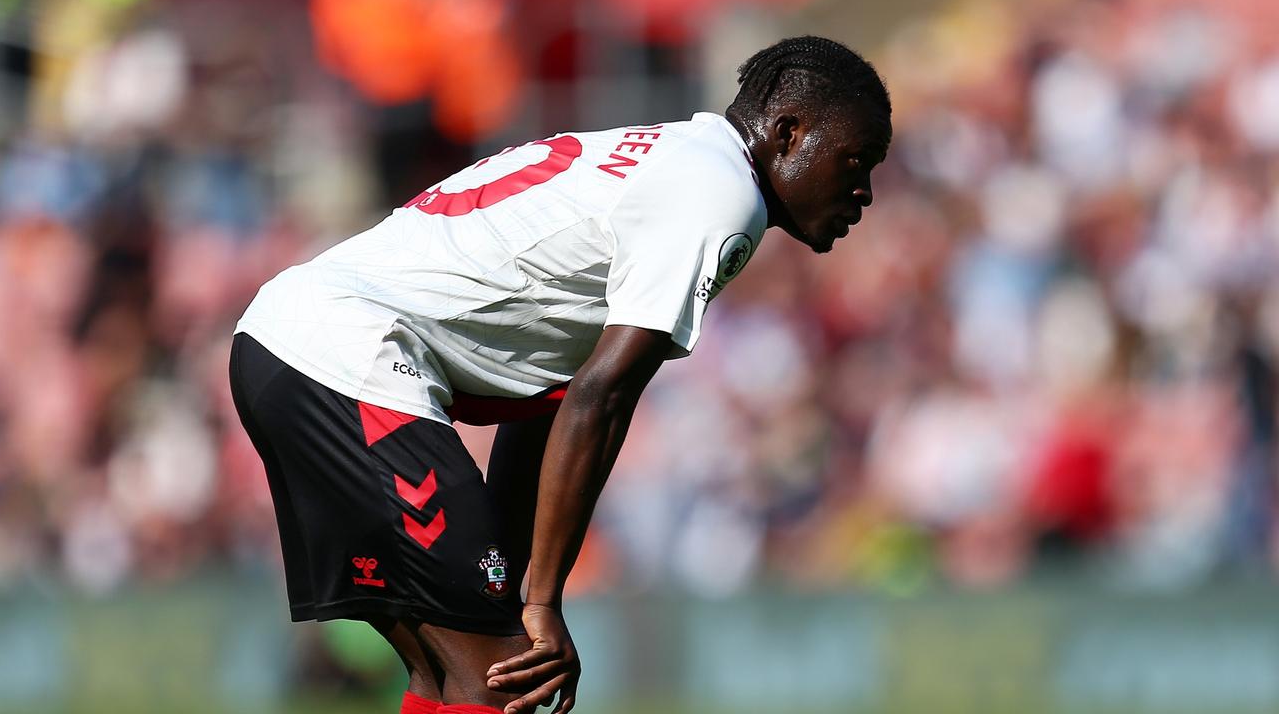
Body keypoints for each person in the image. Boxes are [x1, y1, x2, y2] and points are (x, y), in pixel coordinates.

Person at [229, 35, 890, 714]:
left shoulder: (672, 162)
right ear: (788, 132)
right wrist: (542, 599)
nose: (864, 191)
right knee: (507, 676)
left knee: (459, 678)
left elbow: (545, 403)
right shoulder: (722, 196)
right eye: (855, 161)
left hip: (293, 347)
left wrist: (520, 586)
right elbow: (599, 397)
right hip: (345, 358)